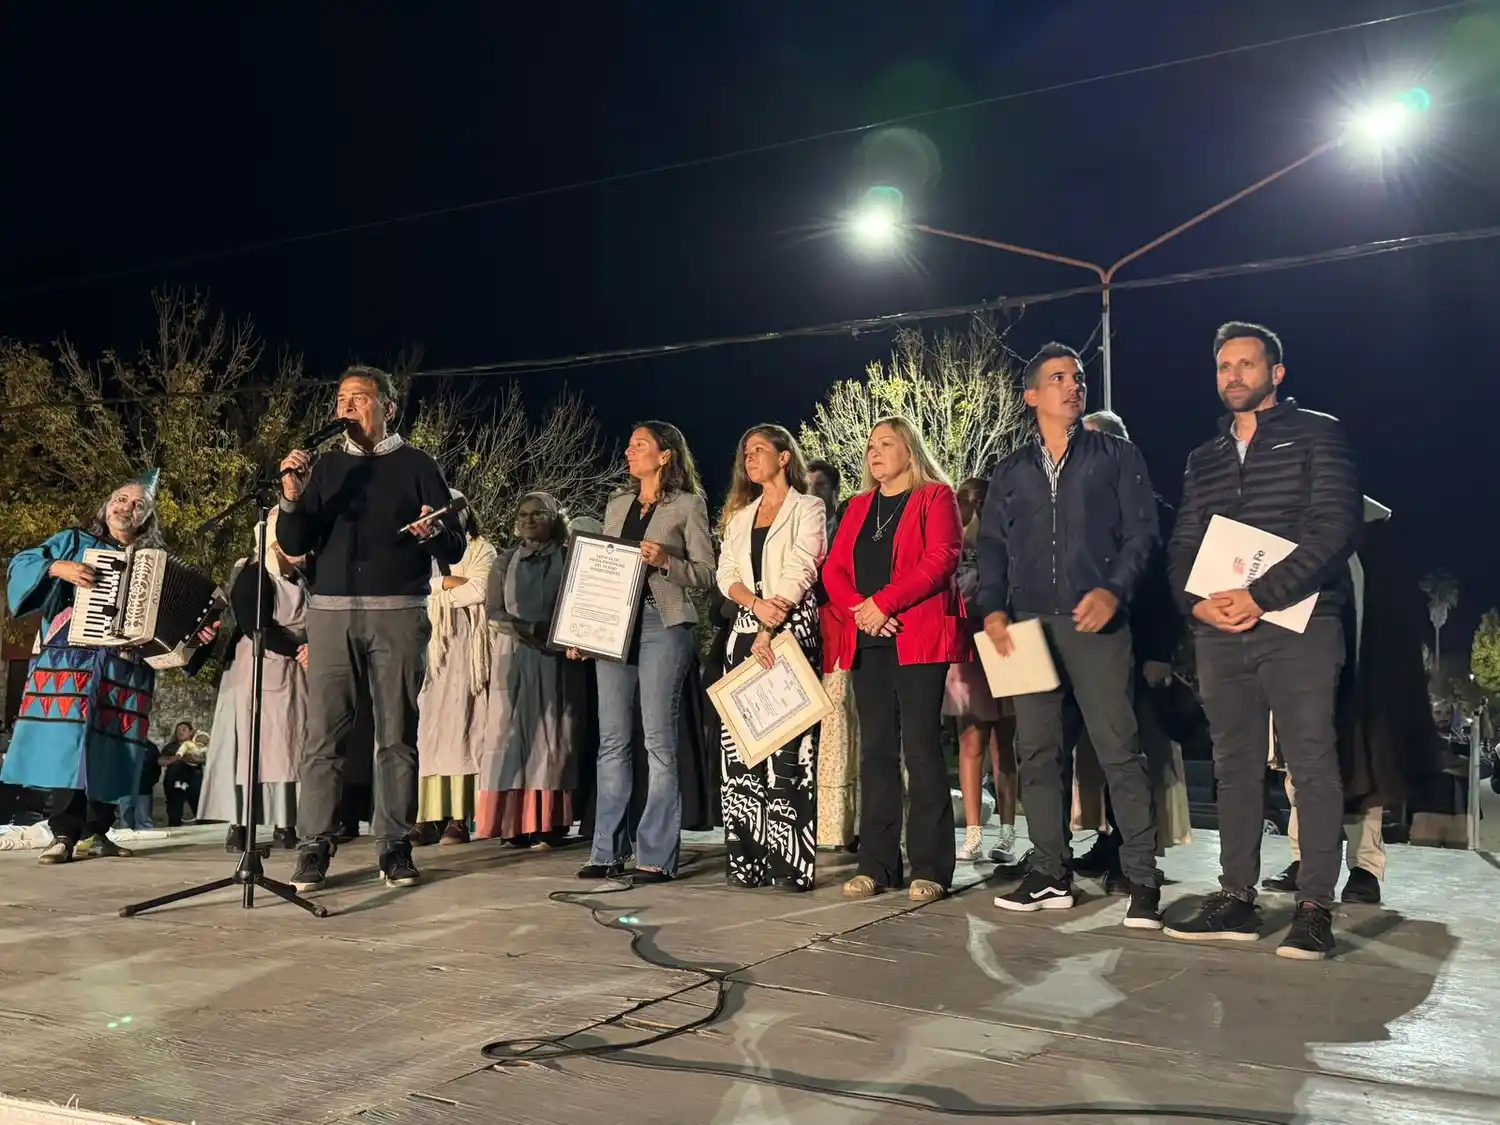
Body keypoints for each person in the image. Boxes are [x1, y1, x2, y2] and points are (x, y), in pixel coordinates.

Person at [1164, 322, 1361, 961]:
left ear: (1276, 373)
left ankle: (1314, 907)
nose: (1234, 377)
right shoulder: (1206, 456)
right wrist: (1197, 604)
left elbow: (1335, 527)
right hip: (1222, 630)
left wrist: (1261, 596)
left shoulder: (1317, 433)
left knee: (1310, 762)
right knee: (1233, 765)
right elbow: (1184, 543)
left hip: (1301, 622)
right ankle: (1237, 897)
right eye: (1224, 367)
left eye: (1247, 365)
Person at [979, 344, 1164, 927]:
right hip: (1027, 628)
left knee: (1118, 749)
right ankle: (1050, 872)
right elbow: (990, 548)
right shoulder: (1009, 472)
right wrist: (991, 609)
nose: (1072, 385)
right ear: (1032, 395)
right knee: (1036, 751)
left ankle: (1141, 878)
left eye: (1078, 378)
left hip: (1096, 622)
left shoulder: (1116, 455)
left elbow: (1142, 535)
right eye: (1058, 378)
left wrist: (1114, 590)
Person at [278, 364, 467, 891]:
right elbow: (295, 542)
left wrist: (432, 534)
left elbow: (455, 548)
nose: (347, 407)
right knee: (323, 737)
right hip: (332, 612)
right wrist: (292, 496)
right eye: (341, 398)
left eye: (359, 398)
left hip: (399, 610)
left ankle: (395, 846)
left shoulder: (419, 465)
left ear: (387, 407)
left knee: (396, 735)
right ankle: (313, 846)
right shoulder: (326, 467)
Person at [1, 472, 215, 865]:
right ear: (105, 506)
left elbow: (172, 628)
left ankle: (97, 832)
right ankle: (63, 833)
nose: (126, 507)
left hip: (125, 671)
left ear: (146, 520)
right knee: (71, 749)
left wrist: (196, 636)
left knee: (113, 749)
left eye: (138, 505)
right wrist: (58, 569)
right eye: (120, 498)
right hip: (73, 661)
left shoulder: (155, 564)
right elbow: (24, 562)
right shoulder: (73, 542)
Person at [1262, 495, 1445, 904]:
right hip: (1301, 666)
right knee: (1300, 770)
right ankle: (1304, 858)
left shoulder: (1368, 530)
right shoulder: (1289, 518)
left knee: (1363, 768)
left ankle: (1365, 867)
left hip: (1359, 669)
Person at [821, 417, 965, 903]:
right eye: (870, 447)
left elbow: (943, 556)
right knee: (876, 752)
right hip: (868, 638)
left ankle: (932, 867)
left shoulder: (936, 497)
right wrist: (862, 612)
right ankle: (878, 864)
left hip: (916, 635)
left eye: (886, 444)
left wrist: (885, 603)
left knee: (921, 750)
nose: (874, 453)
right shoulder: (858, 506)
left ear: (910, 450)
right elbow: (835, 568)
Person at [581, 422, 716, 884]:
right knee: (612, 742)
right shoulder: (617, 504)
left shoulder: (688, 505)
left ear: (665, 455)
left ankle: (656, 855)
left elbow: (705, 573)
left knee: (658, 742)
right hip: (614, 626)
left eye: (639, 444)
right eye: (630, 442)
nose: (628, 449)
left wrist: (666, 561)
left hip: (664, 623)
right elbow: (601, 569)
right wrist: (584, 627)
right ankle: (606, 850)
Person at [1067, 409, 1191, 892]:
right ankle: (1104, 837)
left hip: (1137, 650)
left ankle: (1133, 851)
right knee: (1092, 754)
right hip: (1083, 648)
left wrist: (1161, 650)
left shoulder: (1152, 509)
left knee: (1131, 752)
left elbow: (1166, 589)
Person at [716, 425, 828, 890]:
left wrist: (770, 620)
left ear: (784, 457)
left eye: (759, 449)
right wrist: (752, 606)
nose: (750, 458)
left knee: (789, 752)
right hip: (744, 633)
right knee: (742, 750)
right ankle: (747, 860)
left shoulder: (809, 507)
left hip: (791, 633)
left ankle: (791, 864)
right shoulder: (741, 516)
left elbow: (804, 563)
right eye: (745, 452)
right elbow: (725, 572)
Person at [198, 509, 309, 851]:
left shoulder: (304, 578)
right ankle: (240, 824)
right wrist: (298, 648)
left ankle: (286, 821)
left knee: (289, 745)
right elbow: (254, 625)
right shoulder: (254, 575)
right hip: (256, 668)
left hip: (295, 670)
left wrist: (311, 648)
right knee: (250, 747)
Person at [478, 491, 583, 846]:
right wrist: (529, 630)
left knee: (553, 737)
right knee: (510, 738)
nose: (528, 519)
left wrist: (556, 636)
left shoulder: (570, 560)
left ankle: (550, 822)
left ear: (555, 519)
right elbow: (493, 612)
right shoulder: (504, 562)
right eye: (523, 513)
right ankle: (512, 823)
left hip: (556, 659)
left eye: (538, 513)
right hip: (514, 657)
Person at [414, 496, 496, 846]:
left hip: (467, 652)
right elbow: (416, 590)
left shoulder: (482, 550)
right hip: (430, 649)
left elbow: (481, 590)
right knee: (428, 732)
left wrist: (438, 590)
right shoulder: (421, 552)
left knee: (465, 728)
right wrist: (446, 584)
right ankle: (427, 817)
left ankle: (459, 818)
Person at [945, 477, 1019, 864]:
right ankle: (973, 834)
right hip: (966, 648)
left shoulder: (1008, 545)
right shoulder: (952, 549)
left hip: (1004, 644)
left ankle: (1007, 833)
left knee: (1004, 744)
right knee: (971, 742)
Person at [807, 460, 860, 851]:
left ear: (834, 491)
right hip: (805, 640)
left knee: (841, 723)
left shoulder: (846, 527)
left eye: (821, 485)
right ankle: (819, 824)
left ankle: (843, 827)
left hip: (842, 633)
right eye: (807, 485)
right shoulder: (796, 527)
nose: (813, 492)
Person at [161, 722, 206, 826]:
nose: (180, 732)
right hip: (175, 785)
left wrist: (193, 759)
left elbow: (205, 760)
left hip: (194, 785)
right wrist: (174, 759)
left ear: (191, 732)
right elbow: (161, 761)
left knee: (200, 813)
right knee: (174, 815)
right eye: (178, 730)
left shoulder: (198, 747)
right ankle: (174, 837)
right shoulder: (170, 747)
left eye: (184, 729)